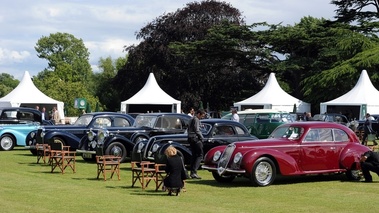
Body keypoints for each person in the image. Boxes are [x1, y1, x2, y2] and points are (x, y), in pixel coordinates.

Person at [188, 109, 205, 179]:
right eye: (202, 116)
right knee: (200, 155)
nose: (202, 117)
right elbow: (197, 130)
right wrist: (202, 137)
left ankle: (192, 172)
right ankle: (194, 171)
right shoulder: (196, 120)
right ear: (198, 114)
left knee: (194, 155)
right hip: (195, 139)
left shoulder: (191, 119)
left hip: (190, 138)